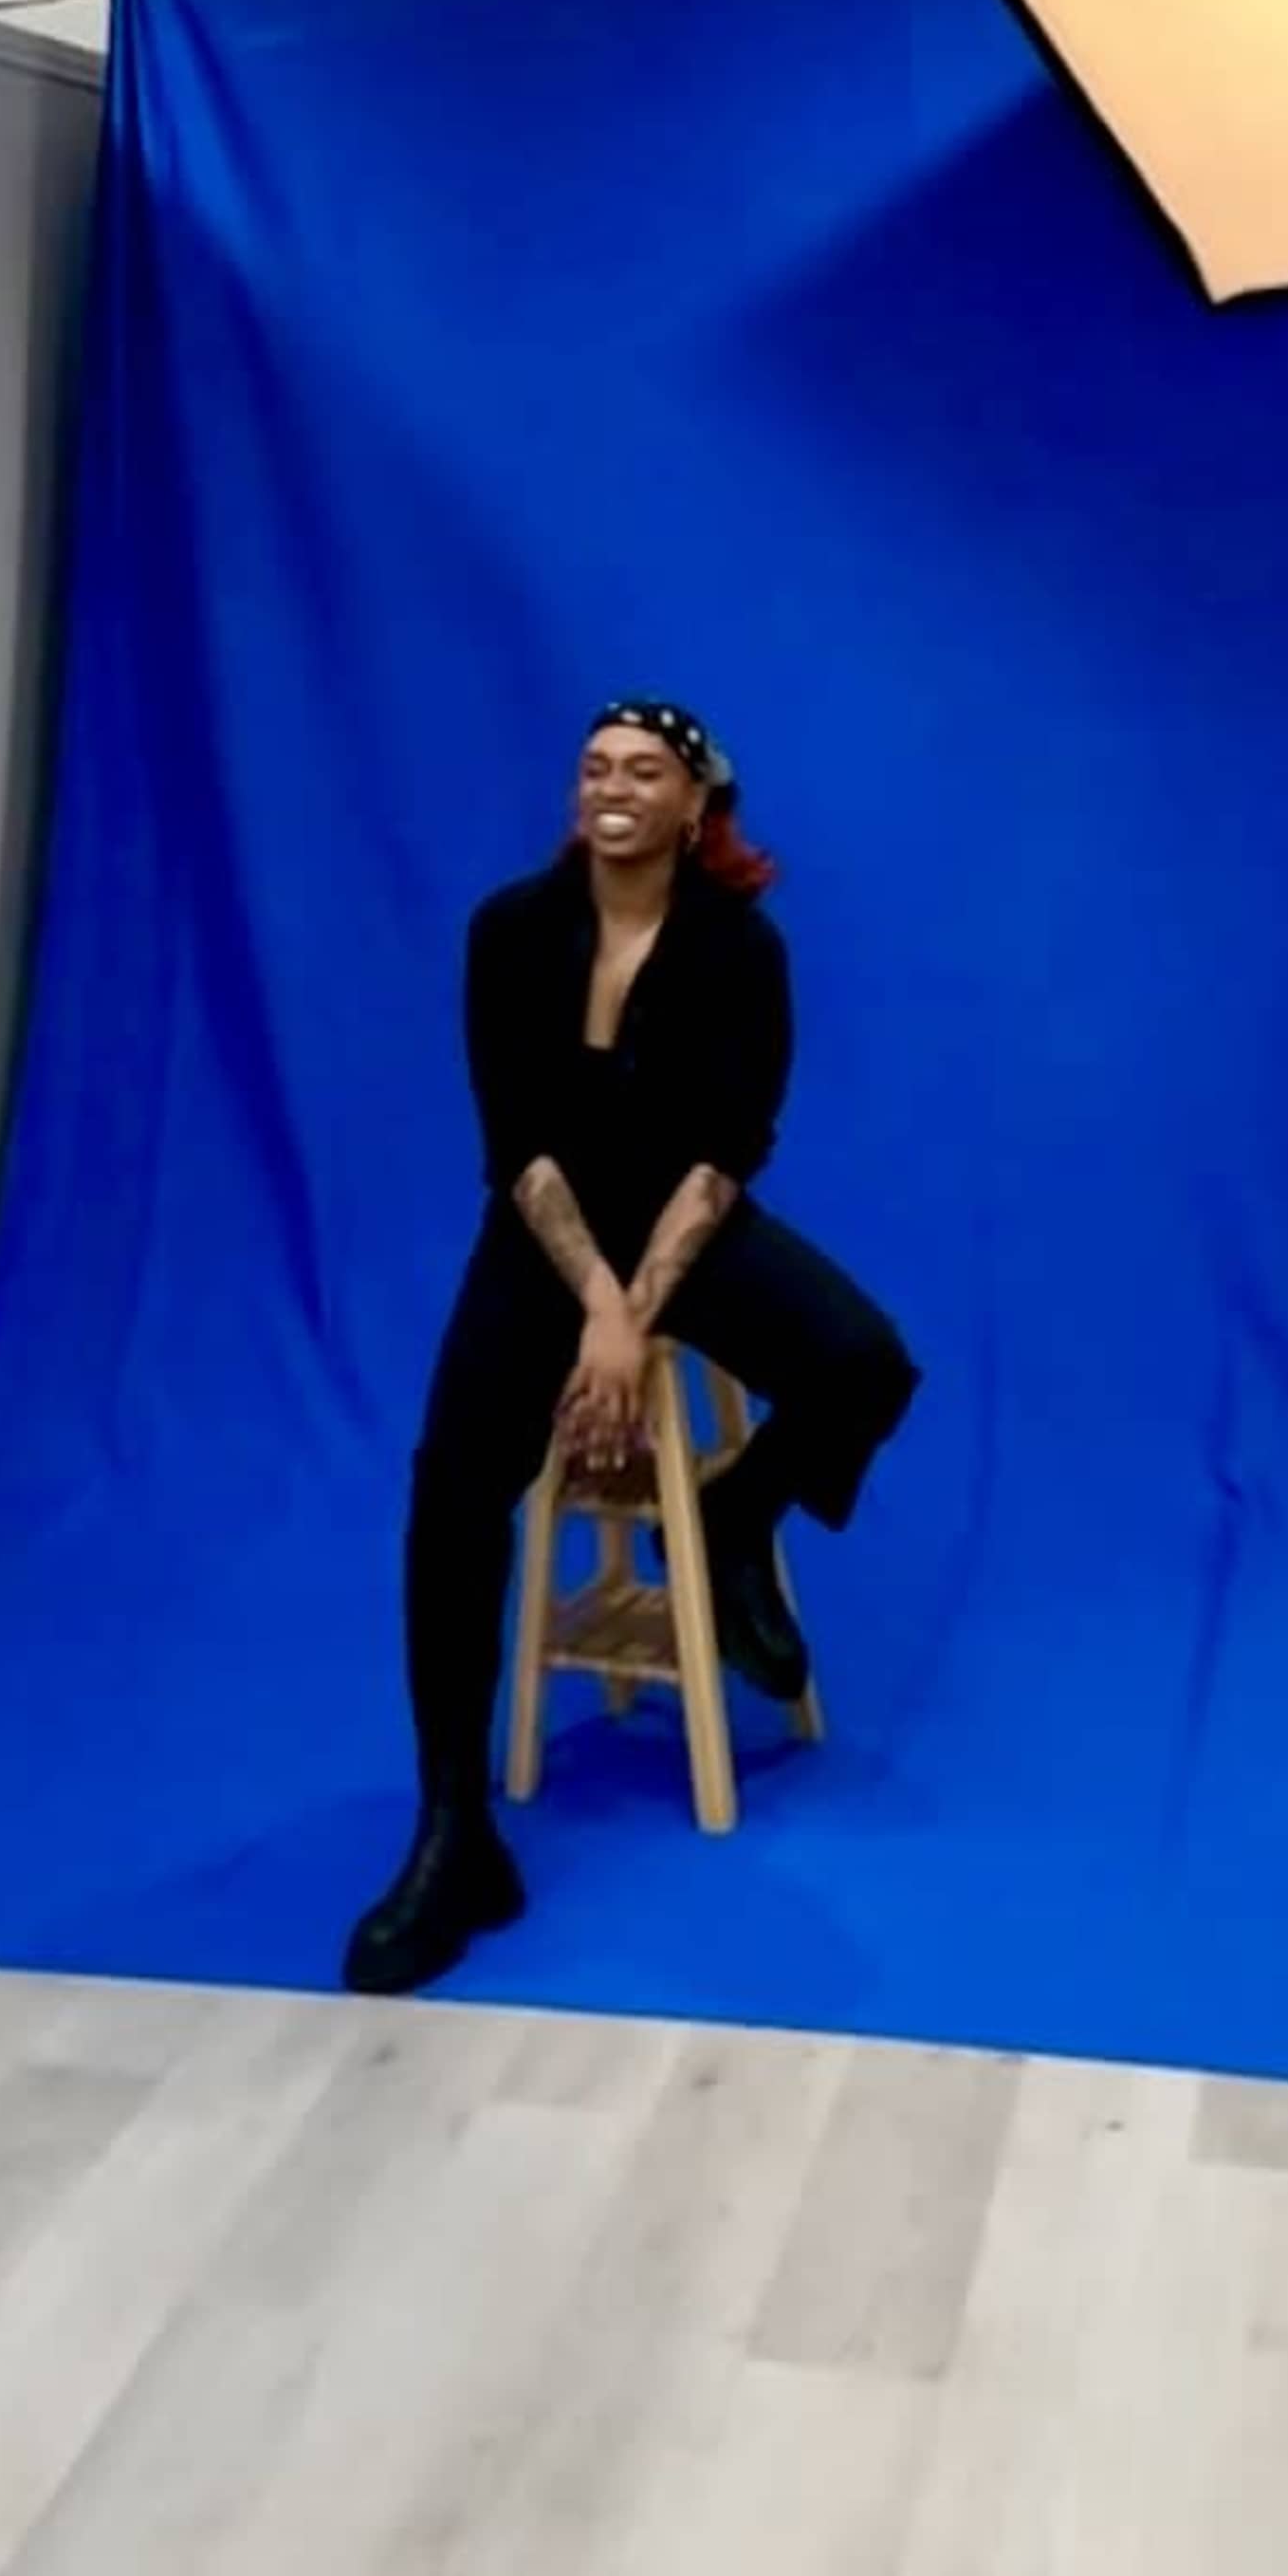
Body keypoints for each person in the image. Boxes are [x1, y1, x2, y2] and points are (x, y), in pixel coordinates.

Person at [342, 698, 921, 1997]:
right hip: (543, 1239)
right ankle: (453, 1832)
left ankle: (728, 1520)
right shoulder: (509, 932)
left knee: (863, 1364)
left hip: (683, 1223)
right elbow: (519, 1145)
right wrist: (600, 1311)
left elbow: (725, 1152)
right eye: (594, 766)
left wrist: (641, 1301)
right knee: (450, 1490)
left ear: (693, 804)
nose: (610, 786)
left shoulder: (737, 951)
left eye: (641, 770)